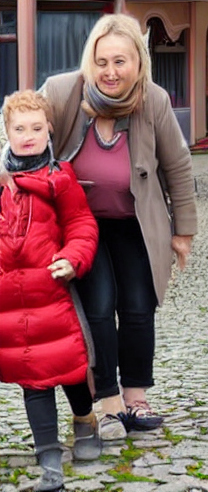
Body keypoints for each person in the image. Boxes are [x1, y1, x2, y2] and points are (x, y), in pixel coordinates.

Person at [39, 13, 198, 440]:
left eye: (121, 62)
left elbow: (178, 167)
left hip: (134, 221)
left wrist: (182, 232)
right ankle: (107, 402)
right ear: (90, 60)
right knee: (98, 306)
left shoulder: (154, 100)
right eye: (103, 61)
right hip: (80, 226)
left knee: (138, 307)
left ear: (138, 63)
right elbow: (24, 139)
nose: (110, 72)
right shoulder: (60, 92)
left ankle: (136, 396)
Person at [0, 90, 101, 492]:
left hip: (53, 292)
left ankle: (85, 420)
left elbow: (82, 224)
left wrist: (73, 257)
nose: (28, 135)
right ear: (6, 131)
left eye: (36, 128)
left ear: (49, 131)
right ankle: (49, 458)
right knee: (33, 379)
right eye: (19, 128)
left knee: (71, 368)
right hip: (11, 302)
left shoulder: (60, 179)